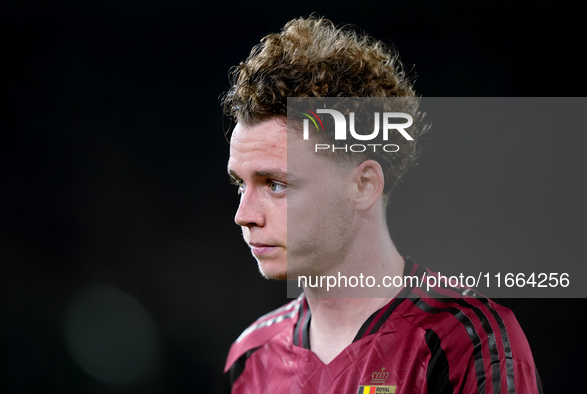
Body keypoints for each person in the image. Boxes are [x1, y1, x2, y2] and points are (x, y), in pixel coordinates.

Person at [222, 16, 542, 394]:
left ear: (363, 185)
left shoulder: (467, 343)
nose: (244, 215)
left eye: (275, 184)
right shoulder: (251, 357)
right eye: (240, 184)